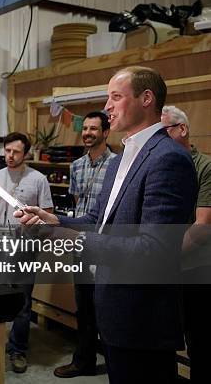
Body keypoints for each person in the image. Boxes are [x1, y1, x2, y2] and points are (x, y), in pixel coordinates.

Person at [15, 66, 197, 384]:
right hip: (113, 313)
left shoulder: (168, 159)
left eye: (115, 97)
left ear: (146, 98)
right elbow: (98, 221)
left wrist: (68, 238)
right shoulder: (121, 161)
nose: (107, 106)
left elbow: (155, 249)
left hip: (143, 319)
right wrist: (56, 219)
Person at [0, 132, 53, 373]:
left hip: (25, 250)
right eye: (7, 151)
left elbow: (48, 214)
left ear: (26, 153)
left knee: (22, 302)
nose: (10, 156)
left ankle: (17, 350)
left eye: (16, 152)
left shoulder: (38, 179)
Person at [54, 111, 116, 378]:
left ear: (106, 132)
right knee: (84, 306)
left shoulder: (118, 164)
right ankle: (84, 361)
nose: (88, 133)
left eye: (94, 129)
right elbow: (79, 205)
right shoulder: (76, 166)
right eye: (85, 129)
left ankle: (117, 365)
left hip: (108, 245)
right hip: (82, 243)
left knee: (110, 306)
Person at [161, 105, 211, 384]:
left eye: (164, 131)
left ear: (182, 129)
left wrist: (162, 258)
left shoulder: (205, 166)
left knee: (200, 341)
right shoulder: (162, 167)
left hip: (196, 268)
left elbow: (202, 226)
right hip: (167, 266)